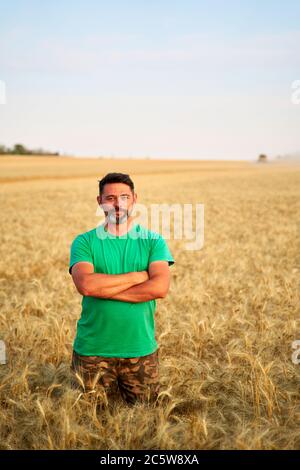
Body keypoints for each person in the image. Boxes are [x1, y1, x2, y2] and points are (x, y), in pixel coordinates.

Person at [68, 172, 175, 406]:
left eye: (124, 197)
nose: (118, 204)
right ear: (100, 202)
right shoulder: (84, 242)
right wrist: (138, 276)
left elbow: (159, 288)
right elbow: (86, 285)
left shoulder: (153, 241)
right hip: (92, 351)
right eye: (111, 198)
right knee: (87, 425)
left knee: (148, 422)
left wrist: (103, 289)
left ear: (135, 199)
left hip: (140, 349)